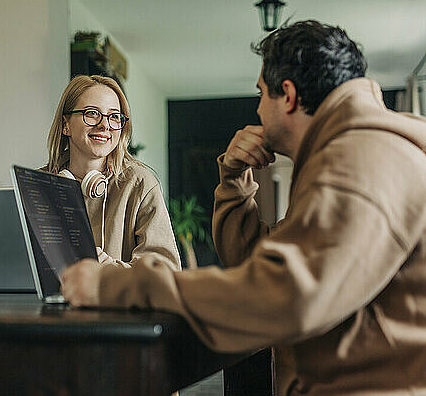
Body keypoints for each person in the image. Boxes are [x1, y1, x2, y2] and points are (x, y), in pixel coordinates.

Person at [61, 20, 426, 396]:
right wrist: (234, 181)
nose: (257, 109)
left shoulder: (364, 157)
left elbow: (285, 296)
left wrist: (118, 286)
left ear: (287, 95)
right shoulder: (350, 152)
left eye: (260, 95)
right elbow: (257, 260)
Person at [44, 74, 180, 270]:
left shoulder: (140, 183)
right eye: (91, 113)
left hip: (115, 301)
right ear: (66, 125)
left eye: (114, 116)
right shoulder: (40, 183)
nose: (105, 125)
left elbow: (167, 271)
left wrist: (110, 269)